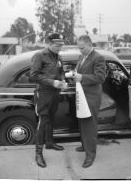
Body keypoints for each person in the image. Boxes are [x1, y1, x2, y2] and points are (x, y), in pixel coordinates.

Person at [30, 32, 67, 168]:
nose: (60, 47)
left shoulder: (59, 56)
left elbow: (61, 71)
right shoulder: (39, 56)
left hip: (55, 93)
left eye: (61, 45)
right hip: (44, 93)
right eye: (57, 45)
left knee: (52, 117)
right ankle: (38, 153)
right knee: (43, 120)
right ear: (49, 44)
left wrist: (63, 80)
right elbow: (33, 76)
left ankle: (50, 143)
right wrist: (52, 82)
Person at [73, 35, 106, 168]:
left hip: (91, 97)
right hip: (82, 94)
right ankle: (85, 145)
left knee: (90, 126)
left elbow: (100, 77)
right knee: (82, 122)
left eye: (82, 48)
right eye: (78, 48)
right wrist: (74, 74)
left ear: (89, 44)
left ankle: (90, 155)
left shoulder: (98, 57)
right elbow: (80, 71)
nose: (80, 50)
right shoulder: (82, 56)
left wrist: (82, 77)